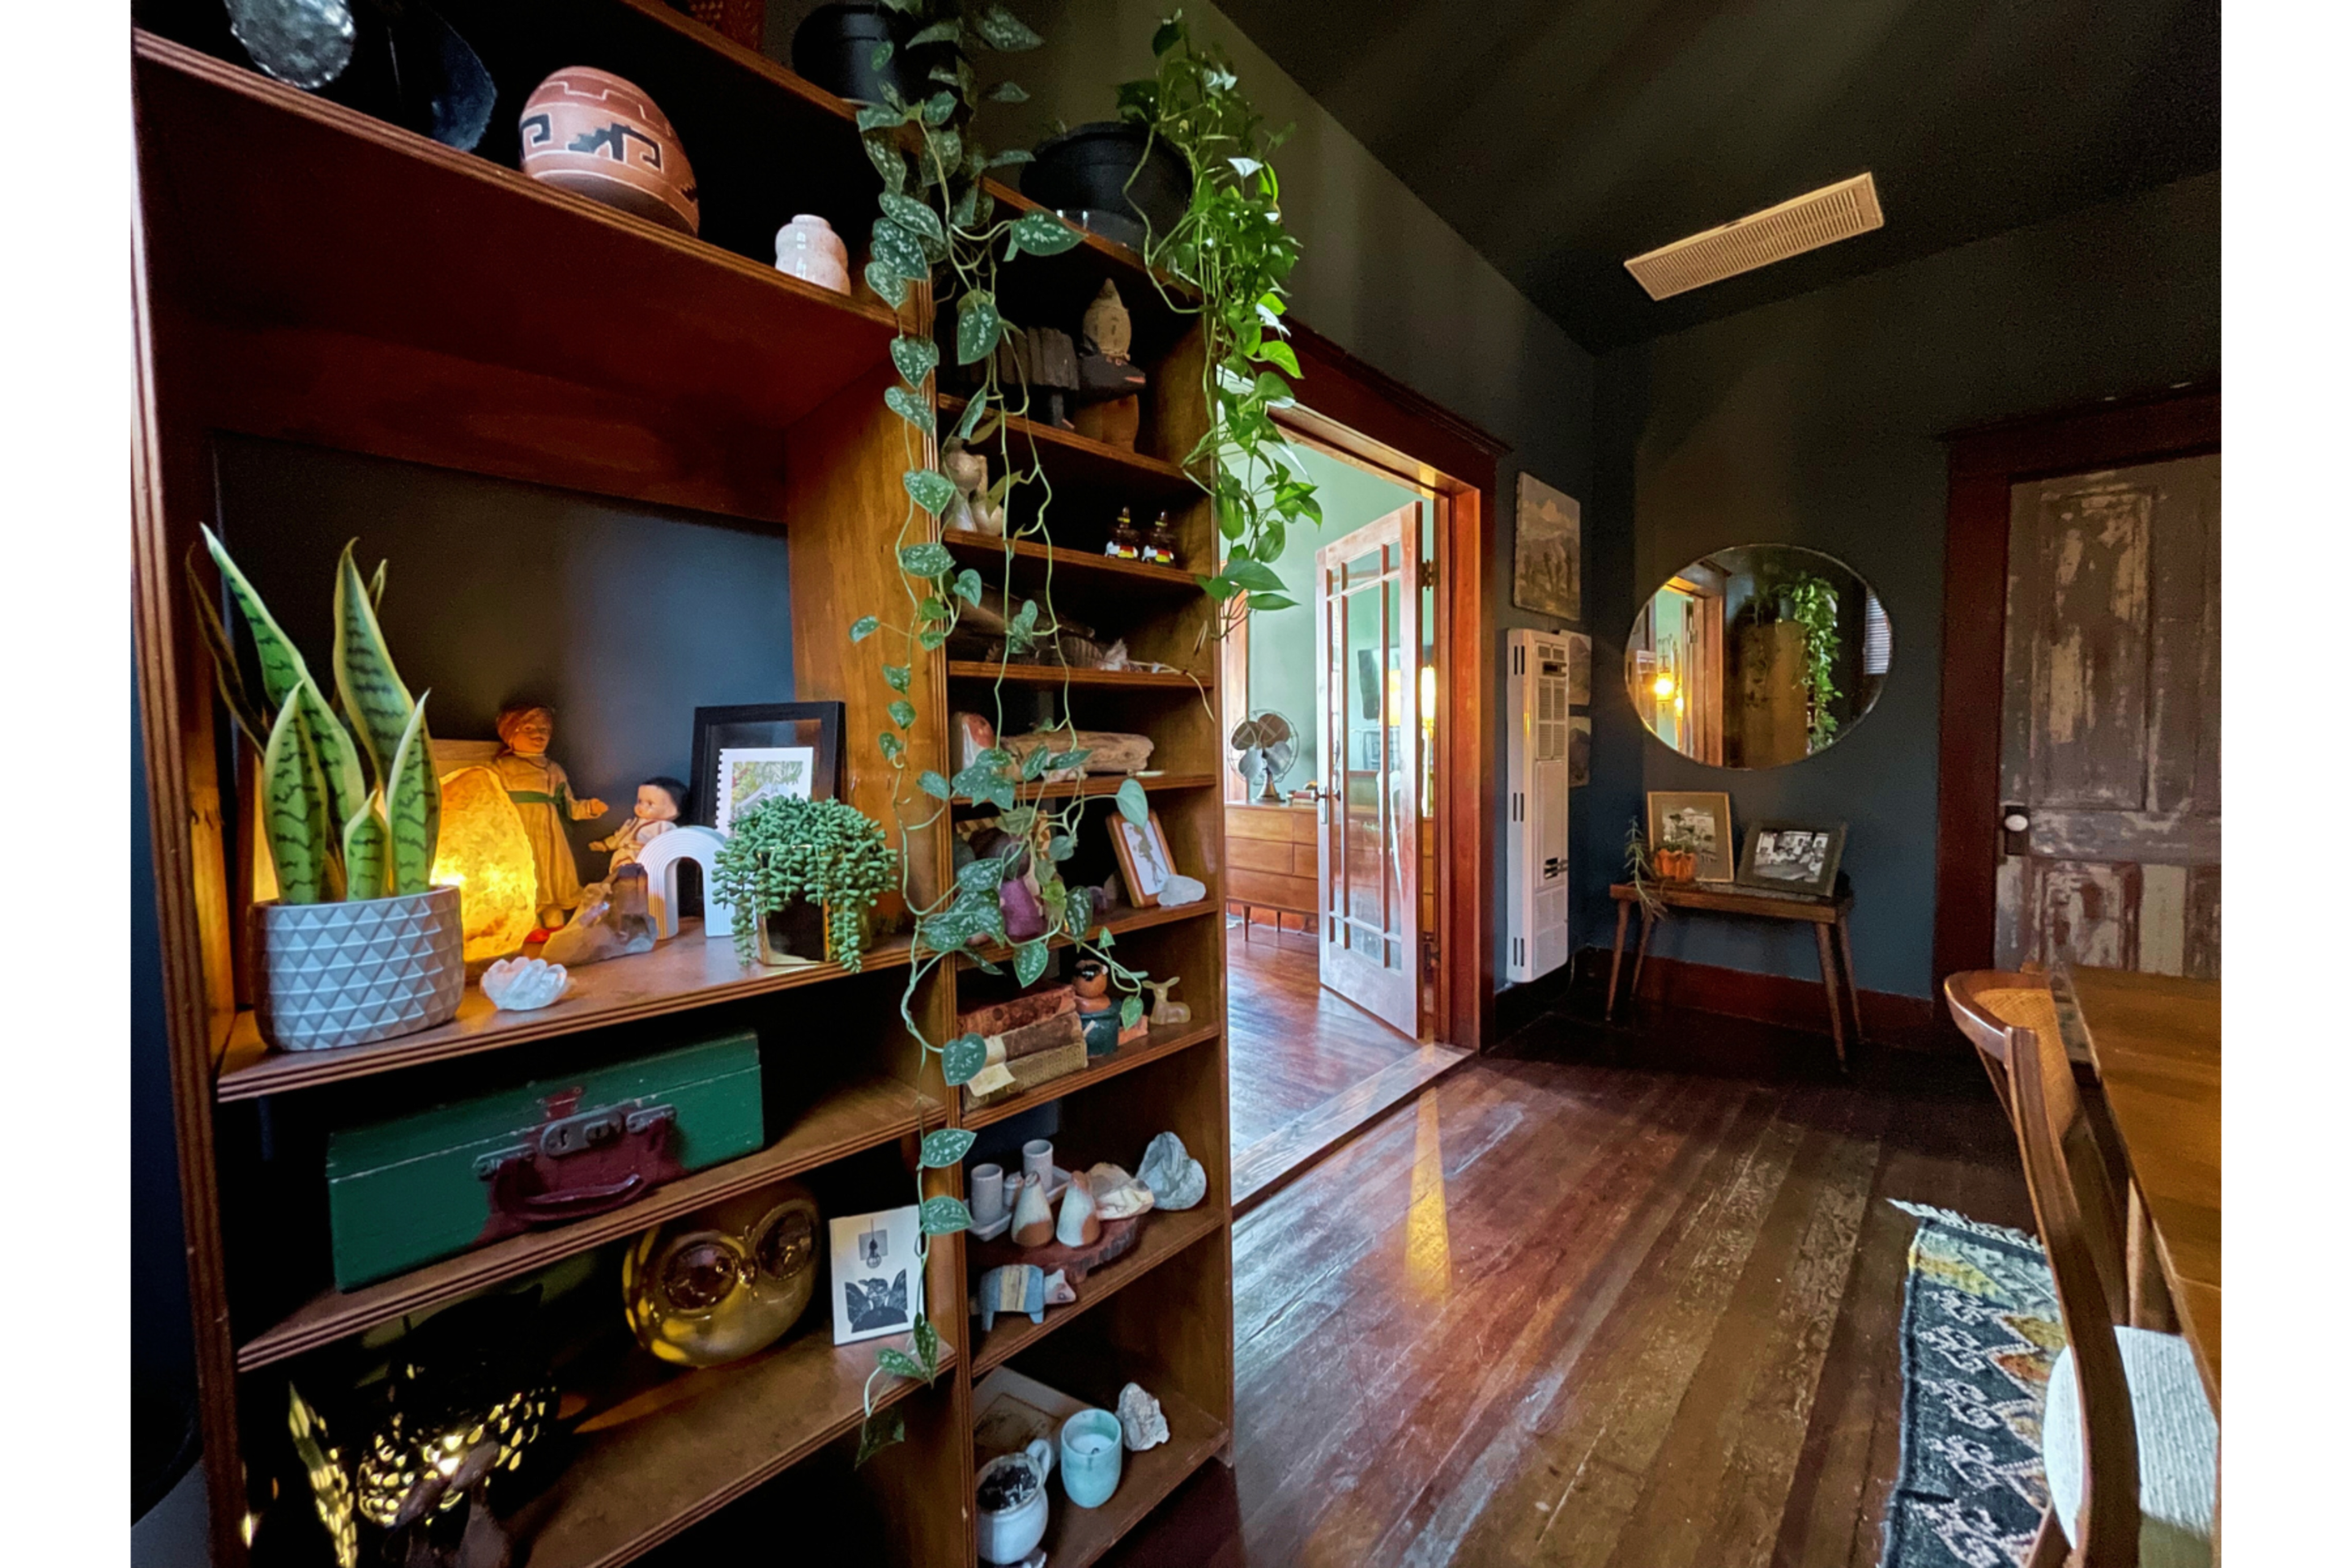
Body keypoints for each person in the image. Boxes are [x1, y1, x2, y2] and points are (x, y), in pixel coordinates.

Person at [490, 703, 607, 931]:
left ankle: (555, 921)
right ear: (510, 734)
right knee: (527, 873)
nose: (538, 735)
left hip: (551, 833)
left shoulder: (554, 769)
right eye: (529, 729)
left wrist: (589, 808)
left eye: (544, 730)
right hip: (520, 829)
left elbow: (570, 806)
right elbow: (490, 799)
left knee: (553, 875)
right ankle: (530, 924)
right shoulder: (502, 768)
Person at [591, 776, 688, 876]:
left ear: (672, 811)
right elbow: (619, 837)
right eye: (640, 801)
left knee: (636, 881)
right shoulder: (632, 823)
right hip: (622, 856)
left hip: (643, 860)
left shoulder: (665, 827)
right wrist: (606, 845)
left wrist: (651, 850)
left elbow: (669, 847)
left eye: (650, 804)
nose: (642, 806)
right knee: (617, 878)